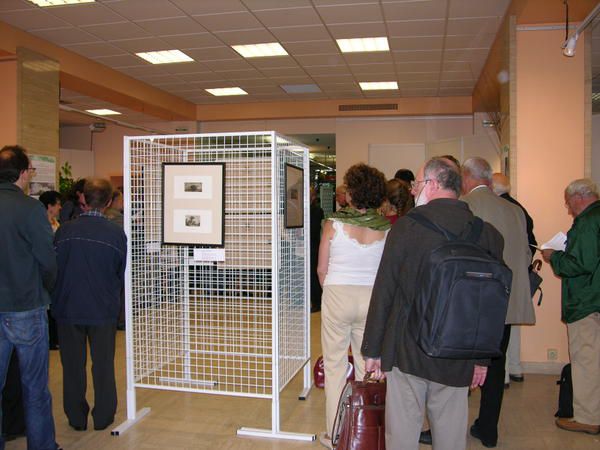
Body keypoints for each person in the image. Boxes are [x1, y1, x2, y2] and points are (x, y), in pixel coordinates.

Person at [362, 157, 504, 450]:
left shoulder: (406, 229)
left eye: (417, 184)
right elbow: (491, 306)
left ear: (433, 184)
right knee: (451, 434)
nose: (414, 191)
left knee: (402, 433)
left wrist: (373, 349)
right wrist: (481, 359)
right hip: (459, 351)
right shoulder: (487, 234)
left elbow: (385, 289)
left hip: (407, 349)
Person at [461, 157, 535, 448]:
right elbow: (526, 256)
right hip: (504, 301)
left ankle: (449, 427)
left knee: (461, 365)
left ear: (467, 177)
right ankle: (488, 428)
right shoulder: (514, 210)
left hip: (473, 302)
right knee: (496, 364)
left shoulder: (466, 205)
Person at [317, 163, 390, 449]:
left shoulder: (333, 224)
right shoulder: (387, 229)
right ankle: (364, 432)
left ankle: (335, 434)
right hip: (372, 299)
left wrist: (332, 292)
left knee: (335, 366)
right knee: (367, 365)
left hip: (337, 294)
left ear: (351, 193)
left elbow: (322, 269)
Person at [52, 178, 127, 432]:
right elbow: (121, 271)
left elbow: (53, 268)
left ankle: (76, 417)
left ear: (83, 198)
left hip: (68, 307)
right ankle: (104, 416)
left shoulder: (64, 231)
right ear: (108, 202)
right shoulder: (116, 233)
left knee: (72, 366)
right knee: (103, 364)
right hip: (102, 308)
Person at [0, 145, 61, 450]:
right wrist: (45, 289)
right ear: (23, 174)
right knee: (35, 387)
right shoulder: (29, 208)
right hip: (26, 305)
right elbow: (47, 261)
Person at [542, 178, 600, 435]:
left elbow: (581, 263)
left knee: (586, 359)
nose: (568, 208)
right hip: (595, 296)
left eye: (568, 203)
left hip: (586, 300)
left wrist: (554, 257)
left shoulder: (588, 222)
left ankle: (588, 418)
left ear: (579, 197)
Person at [492, 173, 537, 386]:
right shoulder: (520, 209)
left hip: (501, 278)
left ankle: (504, 374)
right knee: (513, 328)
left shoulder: (499, 209)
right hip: (517, 277)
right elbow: (531, 243)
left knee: (500, 332)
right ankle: (514, 368)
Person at [39, 190, 63, 350]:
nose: (60, 207)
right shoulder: (41, 225)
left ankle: (54, 338)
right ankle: (50, 339)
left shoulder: (55, 223)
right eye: (58, 204)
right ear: (50, 206)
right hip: (46, 270)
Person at [310, 186, 325, 313]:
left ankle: (317, 302)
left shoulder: (317, 211)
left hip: (313, 247)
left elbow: (313, 230)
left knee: (313, 275)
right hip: (301, 247)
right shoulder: (299, 210)